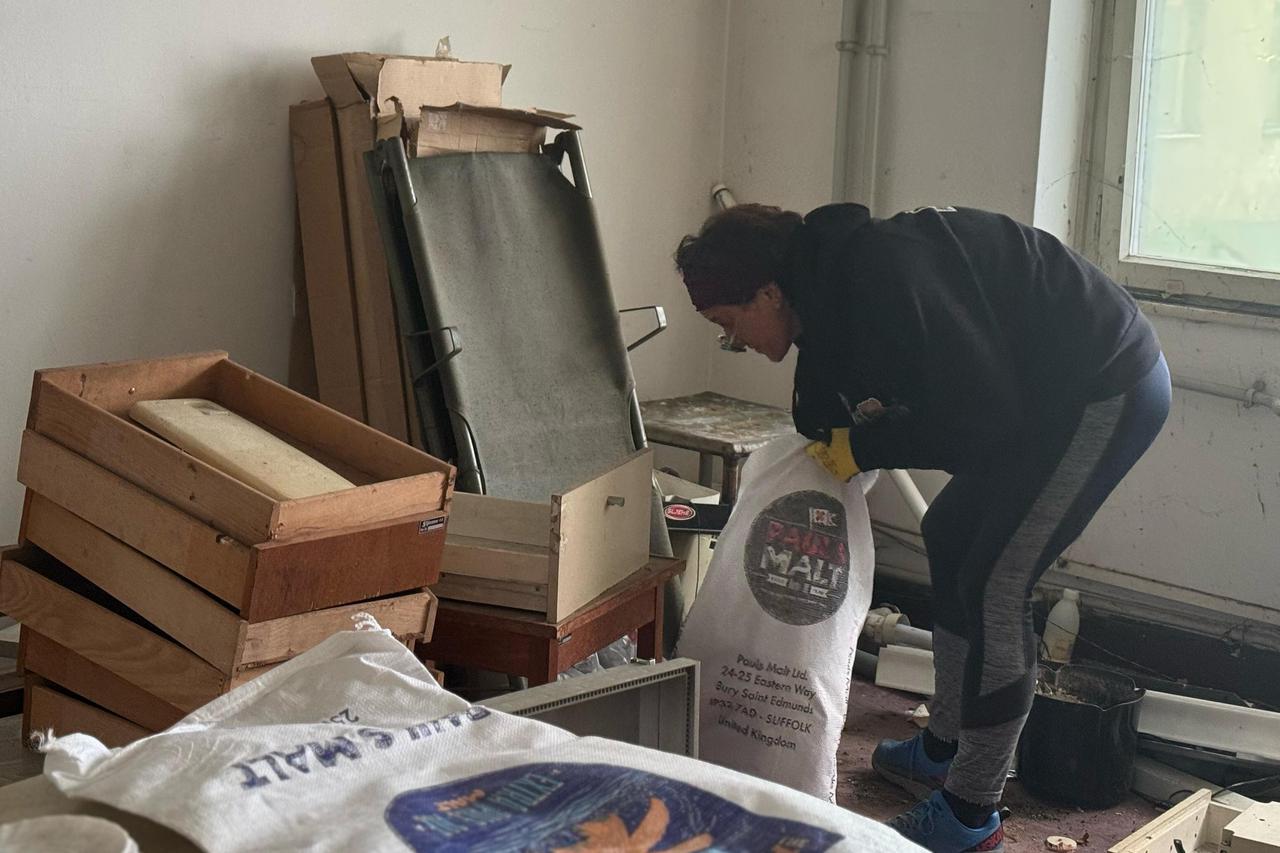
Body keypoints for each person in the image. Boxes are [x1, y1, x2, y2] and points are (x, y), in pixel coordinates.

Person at [673, 202, 1170, 853]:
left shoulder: (879, 278)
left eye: (727, 324)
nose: (735, 342)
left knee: (996, 580)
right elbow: (826, 400)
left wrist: (865, 448)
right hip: (1033, 399)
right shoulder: (823, 289)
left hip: (1103, 386)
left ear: (767, 292)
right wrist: (836, 436)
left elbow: (978, 421)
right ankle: (945, 748)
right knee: (949, 531)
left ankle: (971, 813)